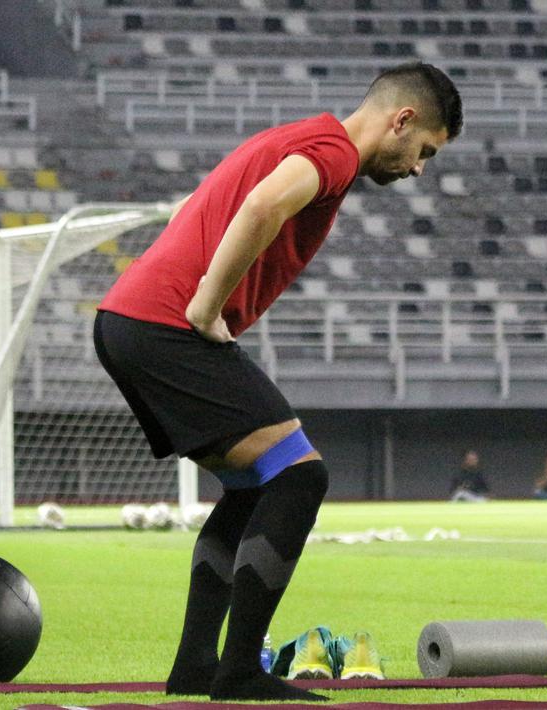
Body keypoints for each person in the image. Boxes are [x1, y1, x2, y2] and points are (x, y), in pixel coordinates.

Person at [94, 62, 461, 702]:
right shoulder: (334, 153)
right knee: (300, 474)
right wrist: (207, 307)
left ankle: (194, 667)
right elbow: (263, 204)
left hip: (126, 323)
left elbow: (199, 204)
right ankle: (238, 673)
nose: (419, 168)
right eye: (425, 150)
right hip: (163, 326)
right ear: (401, 121)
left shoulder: (296, 136)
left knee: (250, 486)